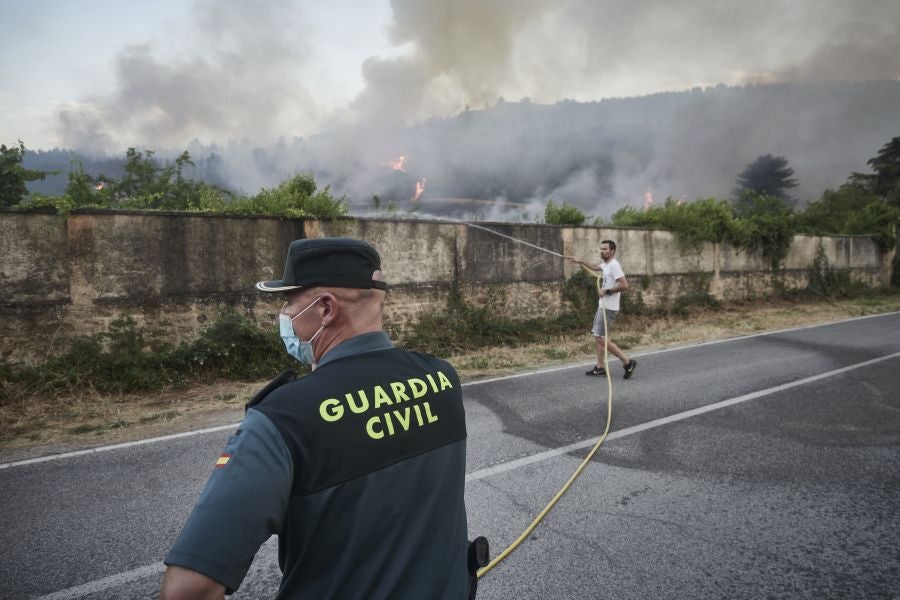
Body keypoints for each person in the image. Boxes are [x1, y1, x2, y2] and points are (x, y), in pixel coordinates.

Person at [160, 237, 472, 600]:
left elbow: (188, 589)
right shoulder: (441, 378)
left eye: (289, 303)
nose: (284, 316)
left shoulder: (283, 419)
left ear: (326, 309)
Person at [566, 239, 637, 379]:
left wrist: (607, 291)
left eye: (605, 249)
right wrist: (579, 261)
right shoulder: (606, 264)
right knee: (599, 337)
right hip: (603, 306)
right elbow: (594, 267)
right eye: (601, 249)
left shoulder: (614, 265)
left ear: (612, 251)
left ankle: (628, 362)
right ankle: (600, 367)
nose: (602, 251)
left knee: (600, 338)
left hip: (608, 308)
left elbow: (624, 285)